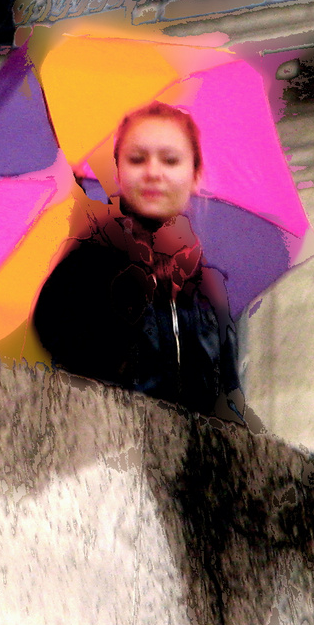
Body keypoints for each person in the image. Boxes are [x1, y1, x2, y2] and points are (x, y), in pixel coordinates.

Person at [31, 102, 246, 423]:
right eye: (136, 159)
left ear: (195, 175)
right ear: (118, 171)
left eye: (170, 160)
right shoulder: (89, 263)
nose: (153, 172)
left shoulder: (208, 289)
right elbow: (67, 364)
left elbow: (228, 402)